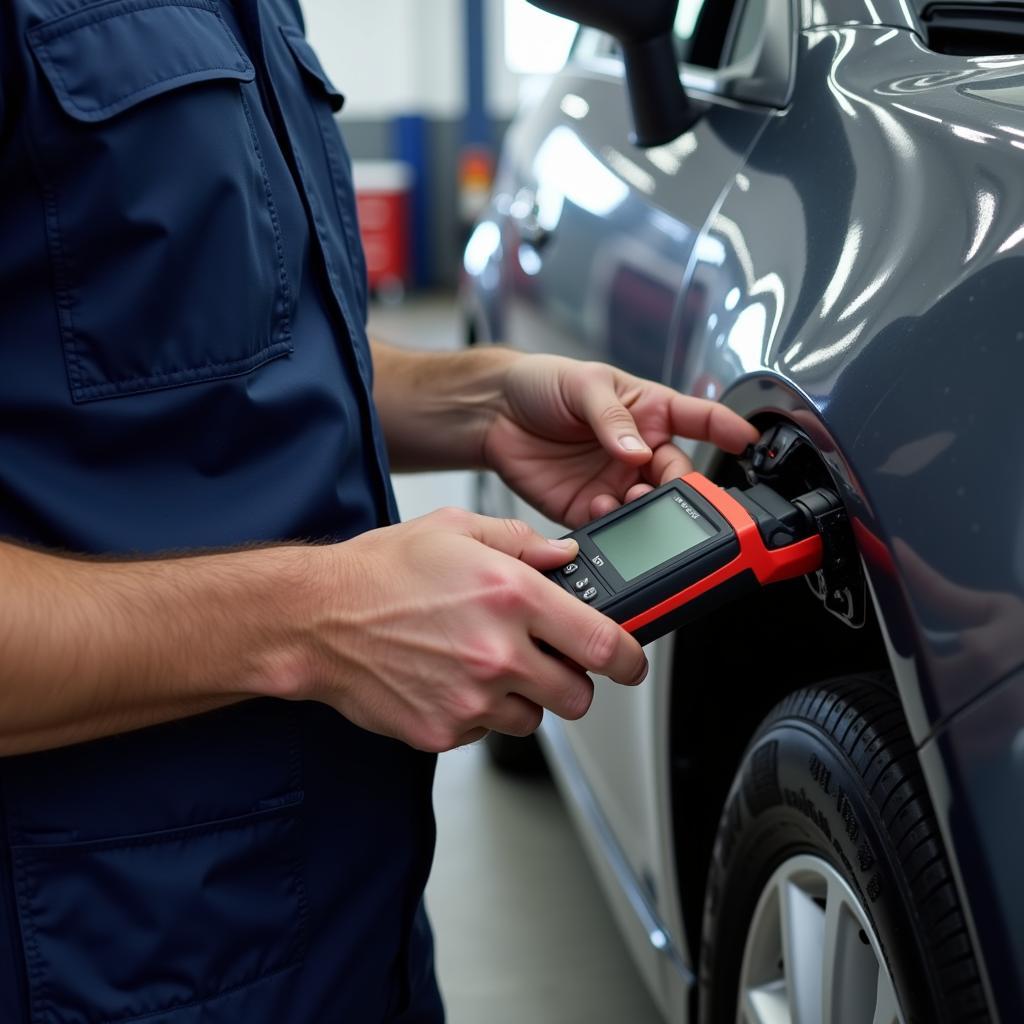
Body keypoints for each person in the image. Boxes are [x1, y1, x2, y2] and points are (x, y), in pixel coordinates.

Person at [0, 0, 758, 1020]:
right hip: (103, 946)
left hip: (350, 913)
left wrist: (480, 400)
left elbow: (221, 362)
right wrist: (316, 618)